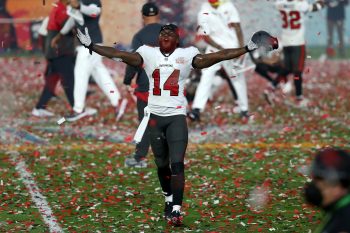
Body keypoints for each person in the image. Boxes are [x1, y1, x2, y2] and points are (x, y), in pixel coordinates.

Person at [76, 23, 278, 226]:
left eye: (170, 32)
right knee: (161, 164)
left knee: (177, 164)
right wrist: (91, 46)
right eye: (162, 31)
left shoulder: (188, 54)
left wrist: (246, 48)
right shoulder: (148, 53)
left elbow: (218, 56)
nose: (165, 33)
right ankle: (168, 197)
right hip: (155, 117)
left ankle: (176, 209)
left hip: (176, 117)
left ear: (177, 40)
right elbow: (119, 55)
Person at [60, 0, 125, 122]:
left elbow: (94, 11)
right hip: (88, 45)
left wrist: (79, 6)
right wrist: (61, 33)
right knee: (100, 74)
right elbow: (73, 19)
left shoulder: (92, 1)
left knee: (80, 74)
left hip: (90, 45)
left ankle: (78, 109)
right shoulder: (79, 2)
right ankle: (117, 101)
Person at [188, 0, 250, 122]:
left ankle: (244, 110)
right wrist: (220, 49)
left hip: (232, 47)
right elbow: (205, 36)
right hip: (214, 49)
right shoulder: (203, 11)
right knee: (206, 76)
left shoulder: (228, 5)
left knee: (237, 79)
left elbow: (237, 27)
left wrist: (241, 49)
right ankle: (196, 110)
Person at [124, 2, 162, 168]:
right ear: (158, 15)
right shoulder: (171, 33)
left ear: (143, 16)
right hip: (169, 87)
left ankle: (140, 158)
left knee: (145, 122)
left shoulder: (139, 36)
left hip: (147, 86)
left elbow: (134, 61)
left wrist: (127, 80)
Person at [275, 0, 324, 107]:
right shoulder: (300, 4)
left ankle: (271, 86)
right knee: (297, 71)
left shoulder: (279, 3)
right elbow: (315, 7)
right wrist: (322, 3)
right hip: (297, 42)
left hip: (286, 41)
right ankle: (299, 97)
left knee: (287, 68)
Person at [33, 0, 75, 117]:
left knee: (52, 81)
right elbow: (68, 29)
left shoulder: (58, 7)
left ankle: (39, 108)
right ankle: (77, 109)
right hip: (60, 52)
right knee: (69, 81)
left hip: (54, 52)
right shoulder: (62, 10)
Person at [303, 148, 350, 232]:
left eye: (319, 181)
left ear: (338, 186)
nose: (314, 187)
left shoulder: (343, 224)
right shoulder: (339, 209)